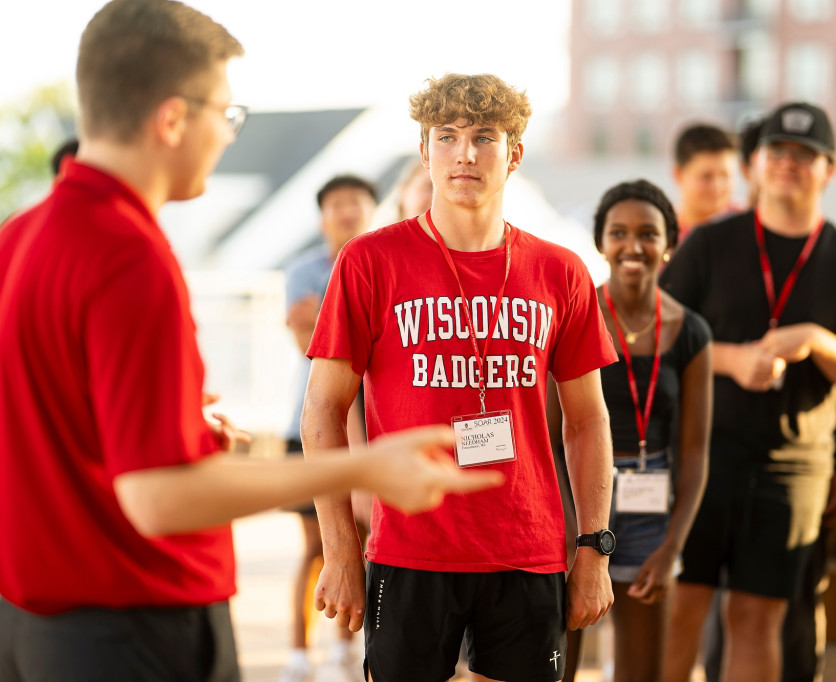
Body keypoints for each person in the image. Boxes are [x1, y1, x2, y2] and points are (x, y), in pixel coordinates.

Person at [0, 4, 501, 680]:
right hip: (134, 625)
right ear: (173, 118)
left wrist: (173, 424)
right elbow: (157, 497)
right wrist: (363, 468)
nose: (230, 135)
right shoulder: (127, 256)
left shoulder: (22, 235)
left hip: (41, 626)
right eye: (226, 113)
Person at [302, 72, 619, 682]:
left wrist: (595, 550)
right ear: (424, 151)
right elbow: (321, 411)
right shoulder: (369, 262)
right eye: (445, 136)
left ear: (516, 154)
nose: (465, 153)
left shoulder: (561, 272)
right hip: (409, 548)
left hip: (527, 547)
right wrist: (340, 549)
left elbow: (587, 420)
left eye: (485, 137)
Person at [659, 101, 836, 682]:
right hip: (699, 460)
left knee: (756, 618)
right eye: (777, 152)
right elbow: (649, 334)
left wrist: (818, 341)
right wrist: (735, 360)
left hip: (793, 471)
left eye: (805, 155)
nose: (789, 163)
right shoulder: (710, 244)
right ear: (755, 165)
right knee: (679, 606)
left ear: (829, 170)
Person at [564, 179, 712, 682]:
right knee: (558, 660)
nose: (633, 246)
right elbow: (548, 432)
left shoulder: (690, 330)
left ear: (668, 243)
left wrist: (673, 546)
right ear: (601, 243)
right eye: (619, 232)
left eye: (648, 233)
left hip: (654, 505)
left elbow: (694, 452)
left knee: (642, 671)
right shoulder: (575, 316)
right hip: (579, 497)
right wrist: (570, 532)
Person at [280, 174, 378, 682]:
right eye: (336, 204)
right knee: (317, 546)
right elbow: (309, 341)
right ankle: (299, 652)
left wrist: (324, 318)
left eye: (355, 203)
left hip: (372, 427)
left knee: (362, 539)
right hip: (310, 424)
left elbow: (320, 327)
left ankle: (345, 648)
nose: (346, 212)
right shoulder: (303, 271)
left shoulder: (382, 264)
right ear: (322, 216)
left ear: (371, 209)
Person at [670, 123, 739, 243]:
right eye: (706, 177)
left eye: (725, 175)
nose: (717, 186)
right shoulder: (664, 237)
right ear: (678, 175)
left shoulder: (751, 227)